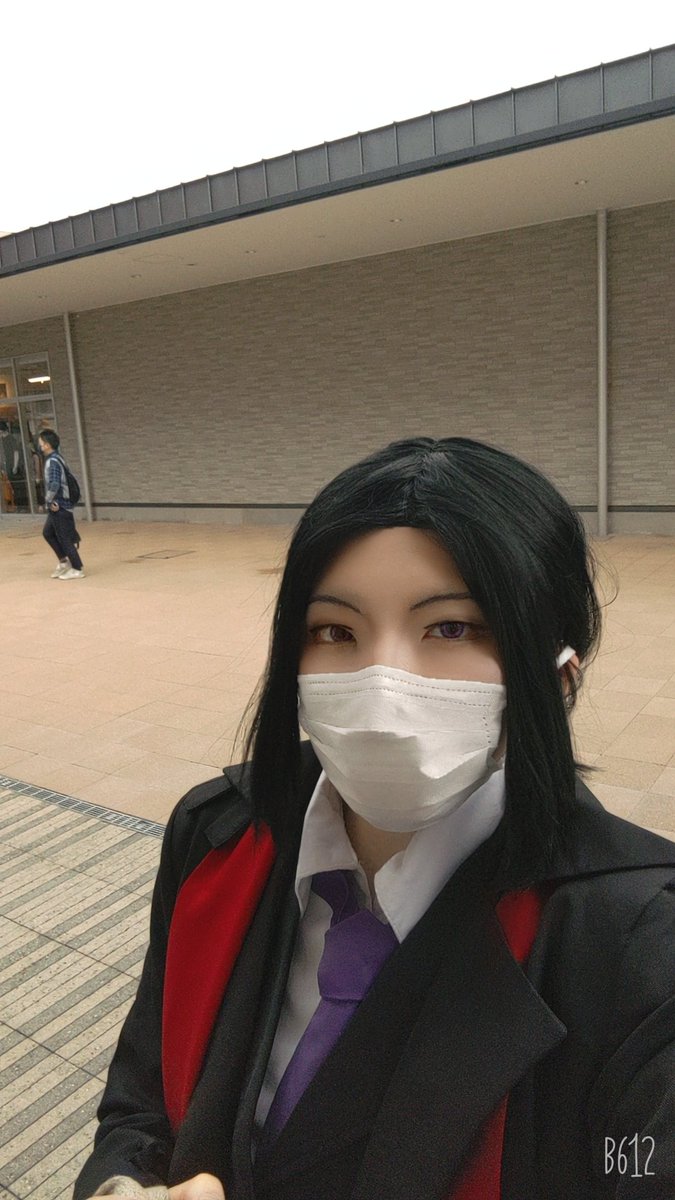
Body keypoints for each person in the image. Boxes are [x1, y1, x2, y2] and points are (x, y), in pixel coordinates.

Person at [74, 437, 675, 1200]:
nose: (381, 685)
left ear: (557, 677)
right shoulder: (216, 835)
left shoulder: (637, 950)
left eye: (451, 628)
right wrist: (120, 1184)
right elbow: (141, 1101)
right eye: (335, 631)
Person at [39, 428, 85, 579]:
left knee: (64, 538)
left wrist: (48, 500)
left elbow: (54, 483)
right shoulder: (57, 458)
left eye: (41, 443)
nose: (40, 446)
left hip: (59, 505)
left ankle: (77, 568)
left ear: (47, 445)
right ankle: (64, 561)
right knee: (48, 533)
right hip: (59, 504)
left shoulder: (52, 461)